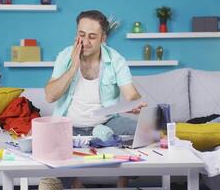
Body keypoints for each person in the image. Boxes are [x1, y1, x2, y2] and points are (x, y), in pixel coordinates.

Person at [44, 10, 146, 188]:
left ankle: (123, 181)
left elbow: (131, 94)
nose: (85, 42)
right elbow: (50, 96)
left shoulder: (116, 60)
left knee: (142, 131)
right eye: (81, 35)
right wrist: (73, 67)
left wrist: (136, 103)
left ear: (103, 38)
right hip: (69, 125)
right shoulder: (65, 57)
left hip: (106, 123)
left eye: (92, 37)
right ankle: (76, 185)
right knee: (49, 144)